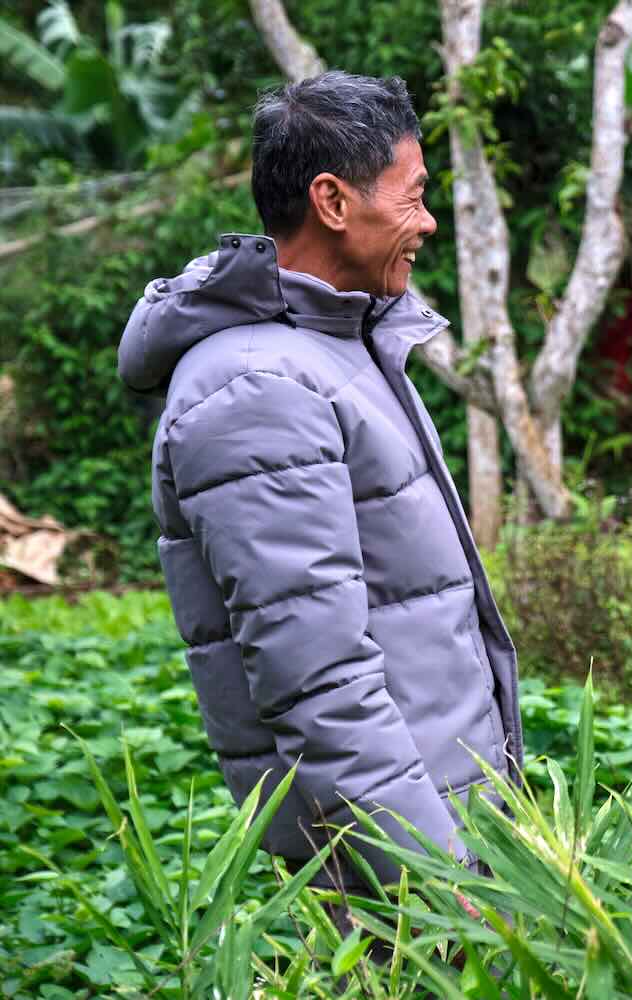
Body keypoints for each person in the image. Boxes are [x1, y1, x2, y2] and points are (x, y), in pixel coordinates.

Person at [117, 71, 522, 889]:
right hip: (399, 869)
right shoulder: (258, 388)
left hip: (453, 822)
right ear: (333, 201)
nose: (429, 222)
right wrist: (437, 882)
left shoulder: (338, 345)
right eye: (412, 197)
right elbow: (319, 681)